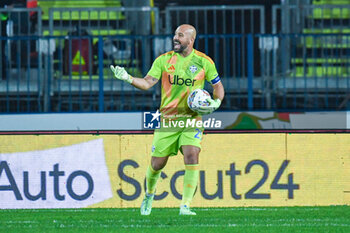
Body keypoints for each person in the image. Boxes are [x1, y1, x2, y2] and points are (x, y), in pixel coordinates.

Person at [110, 24, 225, 215]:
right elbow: (147, 83)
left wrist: (216, 103)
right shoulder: (164, 60)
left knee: (192, 154)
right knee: (157, 164)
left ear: (191, 39)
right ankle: (149, 195)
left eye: (180, 35)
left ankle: (185, 206)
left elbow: (218, 87)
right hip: (168, 121)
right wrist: (128, 78)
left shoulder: (204, 62)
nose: (175, 38)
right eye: (175, 34)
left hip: (191, 119)